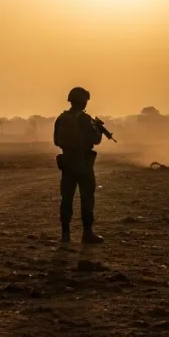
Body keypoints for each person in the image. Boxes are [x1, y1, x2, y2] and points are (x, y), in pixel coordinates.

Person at [53, 86, 105, 245]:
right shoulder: (84, 119)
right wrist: (99, 129)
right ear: (83, 101)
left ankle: (65, 235)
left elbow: (56, 141)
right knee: (87, 199)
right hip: (83, 163)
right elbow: (95, 140)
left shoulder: (62, 118)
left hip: (68, 162)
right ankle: (87, 233)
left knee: (66, 199)